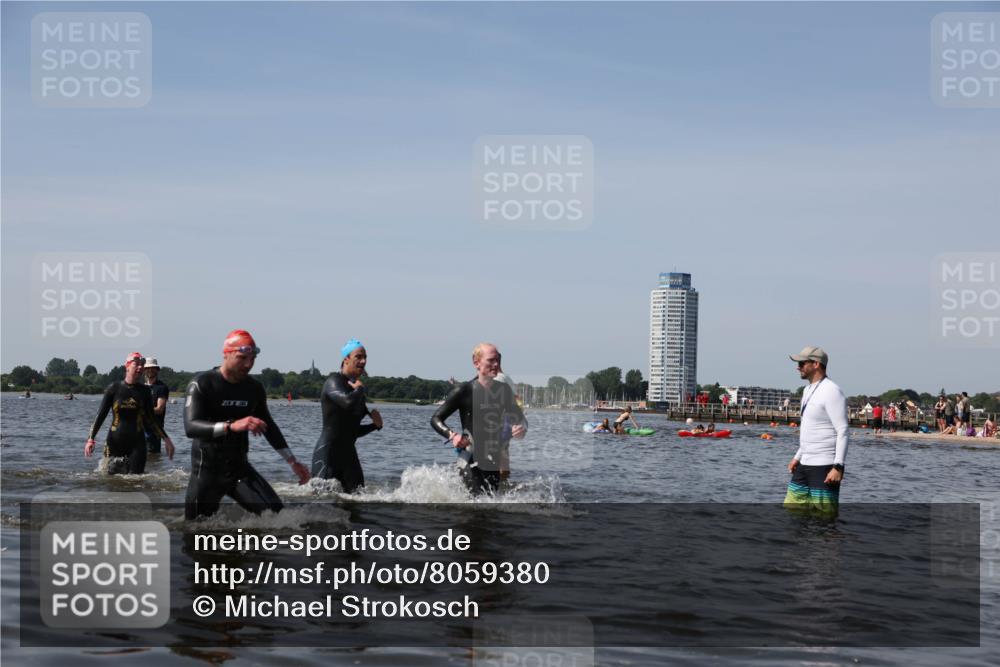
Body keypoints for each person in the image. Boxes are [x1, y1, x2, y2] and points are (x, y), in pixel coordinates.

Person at [184, 329, 310, 520]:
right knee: (194, 532)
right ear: (226, 353)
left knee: (279, 519)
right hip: (207, 472)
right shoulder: (202, 383)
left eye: (252, 359)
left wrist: (292, 461)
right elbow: (191, 427)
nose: (248, 364)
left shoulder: (254, 388)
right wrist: (231, 426)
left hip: (239, 470)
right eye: (242, 358)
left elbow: (270, 427)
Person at [431, 343, 527, 495]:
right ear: (476, 362)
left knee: (491, 507)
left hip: (492, 461)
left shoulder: (503, 390)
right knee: (476, 506)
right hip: (469, 458)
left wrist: (520, 429)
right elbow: (436, 418)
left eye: (497, 360)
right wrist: (452, 435)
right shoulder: (464, 390)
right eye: (490, 360)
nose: (496, 364)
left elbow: (520, 420)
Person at [311, 339, 383, 493]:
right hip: (328, 456)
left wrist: (374, 426)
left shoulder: (356, 389)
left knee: (358, 501)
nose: (363, 361)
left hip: (349, 457)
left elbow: (352, 431)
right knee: (322, 508)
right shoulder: (333, 382)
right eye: (358, 356)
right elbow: (348, 402)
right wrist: (360, 390)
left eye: (365, 357)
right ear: (346, 360)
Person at [85, 352, 175, 474]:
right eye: (136, 364)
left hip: (137, 444)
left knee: (136, 481)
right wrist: (91, 439)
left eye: (141, 365)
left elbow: (152, 419)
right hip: (114, 442)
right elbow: (100, 415)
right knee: (111, 482)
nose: (140, 367)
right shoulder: (114, 388)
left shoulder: (145, 391)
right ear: (127, 366)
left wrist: (167, 440)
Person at [785, 346, 849, 515]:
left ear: (816, 364)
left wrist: (838, 467)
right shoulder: (807, 390)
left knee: (824, 518)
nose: (797, 367)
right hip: (804, 464)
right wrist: (797, 457)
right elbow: (811, 429)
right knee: (792, 512)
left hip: (825, 466)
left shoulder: (832, 391)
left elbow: (842, 431)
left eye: (801, 363)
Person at [143, 357, 170, 454]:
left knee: (152, 457)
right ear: (144, 370)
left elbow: (159, 409)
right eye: (148, 368)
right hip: (139, 429)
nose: (150, 370)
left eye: (152, 368)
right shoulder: (140, 387)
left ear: (157, 370)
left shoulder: (161, 388)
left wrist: (142, 409)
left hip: (154, 430)